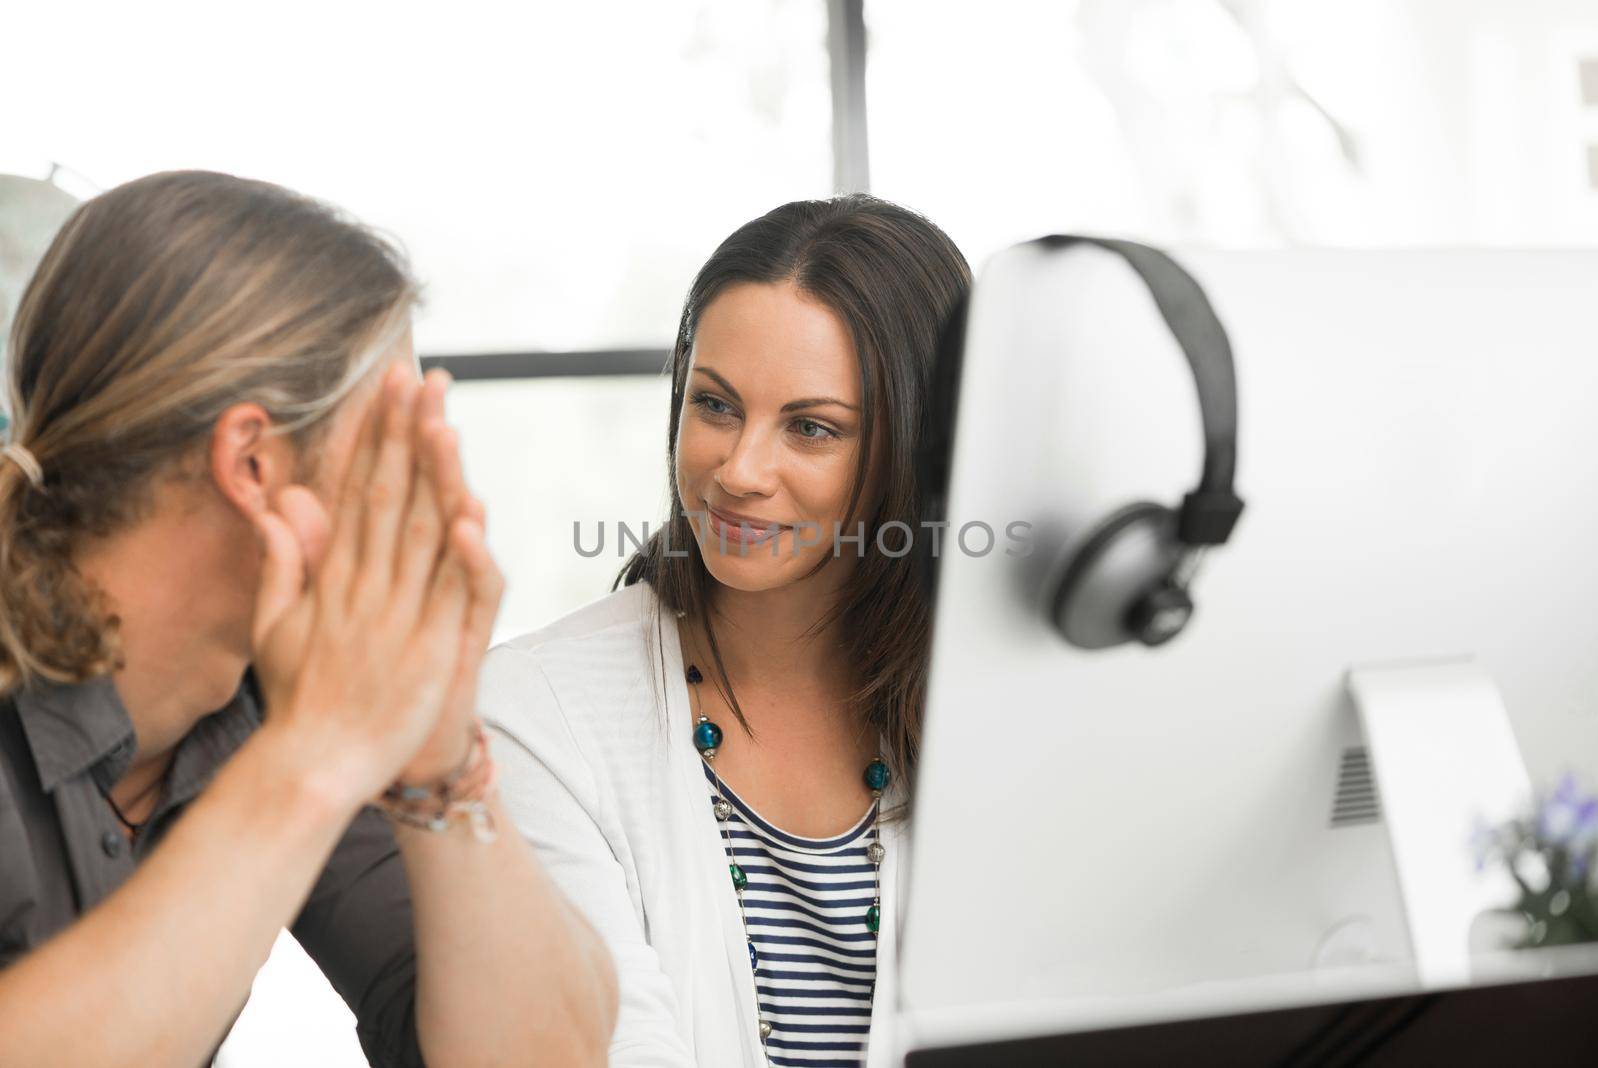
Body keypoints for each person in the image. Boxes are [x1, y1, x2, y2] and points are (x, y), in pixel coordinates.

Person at [0, 170, 617, 1067]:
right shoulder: (305, 737)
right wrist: (315, 757)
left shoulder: (259, 705)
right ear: (252, 464)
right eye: (392, 439)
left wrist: (440, 763)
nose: (426, 490)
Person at [481, 194, 970, 1067]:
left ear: (918, 451)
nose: (738, 471)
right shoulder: (536, 715)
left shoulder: (1000, 709)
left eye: (812, 428)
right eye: (714, 406)